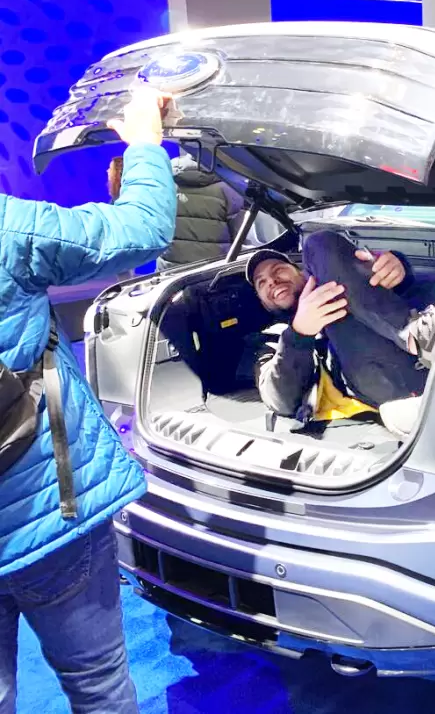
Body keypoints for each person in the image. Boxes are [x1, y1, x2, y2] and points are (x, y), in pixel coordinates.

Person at [0, 88, 177, 714]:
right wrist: (146, 147)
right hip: (48, 511)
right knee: (99, 687)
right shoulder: (6, 230)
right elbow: (141, 230)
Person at [241, 226, 435, 436]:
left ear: (302, 271)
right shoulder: (272, 339)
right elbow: (280, 401)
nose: (272, 281)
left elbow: (411, 298)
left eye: (278, 270)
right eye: (261, 283)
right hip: (385, 377)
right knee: (317, 243)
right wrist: (301, 332)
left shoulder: (338, 279)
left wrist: (400, 273)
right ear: (262, 302)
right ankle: (426, 340)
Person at [156, 153, 246, 270]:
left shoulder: (166, 182)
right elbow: (240, 233)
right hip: (210, 271)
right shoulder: (228, 187)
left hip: (170, 270)